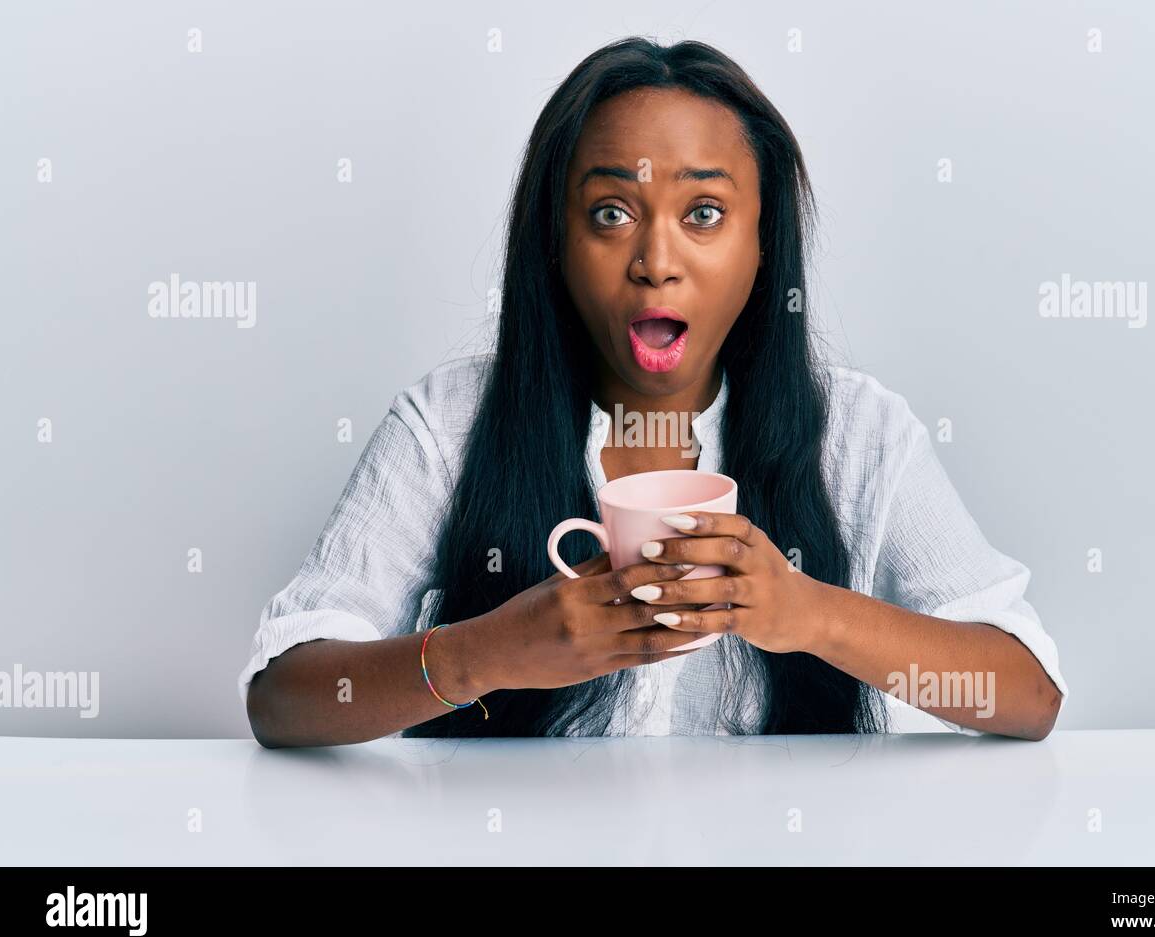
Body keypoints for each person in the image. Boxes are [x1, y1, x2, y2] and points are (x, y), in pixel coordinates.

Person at [241, 37, 1067, 748]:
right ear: (554, 243)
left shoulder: (857, 433)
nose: (655, 260)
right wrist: (483, 653)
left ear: (762, 246)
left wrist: (812, 614)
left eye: (704, 213)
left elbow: (1027, 695)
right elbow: (282, 698)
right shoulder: (448, 424)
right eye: (610, 214)